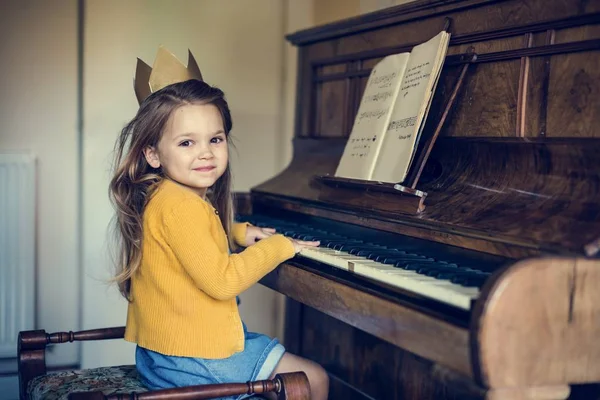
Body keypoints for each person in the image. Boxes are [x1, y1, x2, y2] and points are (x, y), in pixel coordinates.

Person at [109, 77, 329, 399]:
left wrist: (240, 232)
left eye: (215, 139)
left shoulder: (163, 196)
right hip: (195, 360)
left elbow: (188, 239)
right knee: (314, 378)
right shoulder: (183, 207)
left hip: (161, 356)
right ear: (153, 154)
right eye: (187, 143)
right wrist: (280, 246)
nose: (206, 154)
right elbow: (223, 281)